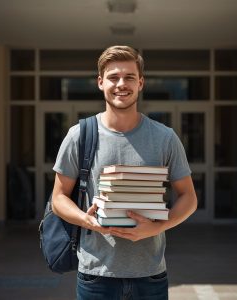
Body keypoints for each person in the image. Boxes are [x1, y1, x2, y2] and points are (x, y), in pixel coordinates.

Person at [52, 45, 197, 300]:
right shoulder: (79, 135)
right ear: (100, 83)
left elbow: (189, 198)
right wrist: (88, 222)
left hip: (150, 275)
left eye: (129, 77)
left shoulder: (165, 138)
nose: (121, 84)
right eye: (113, 77)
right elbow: (58, 198)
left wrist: (156, 228)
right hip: (96, 275)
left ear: (141, 83)